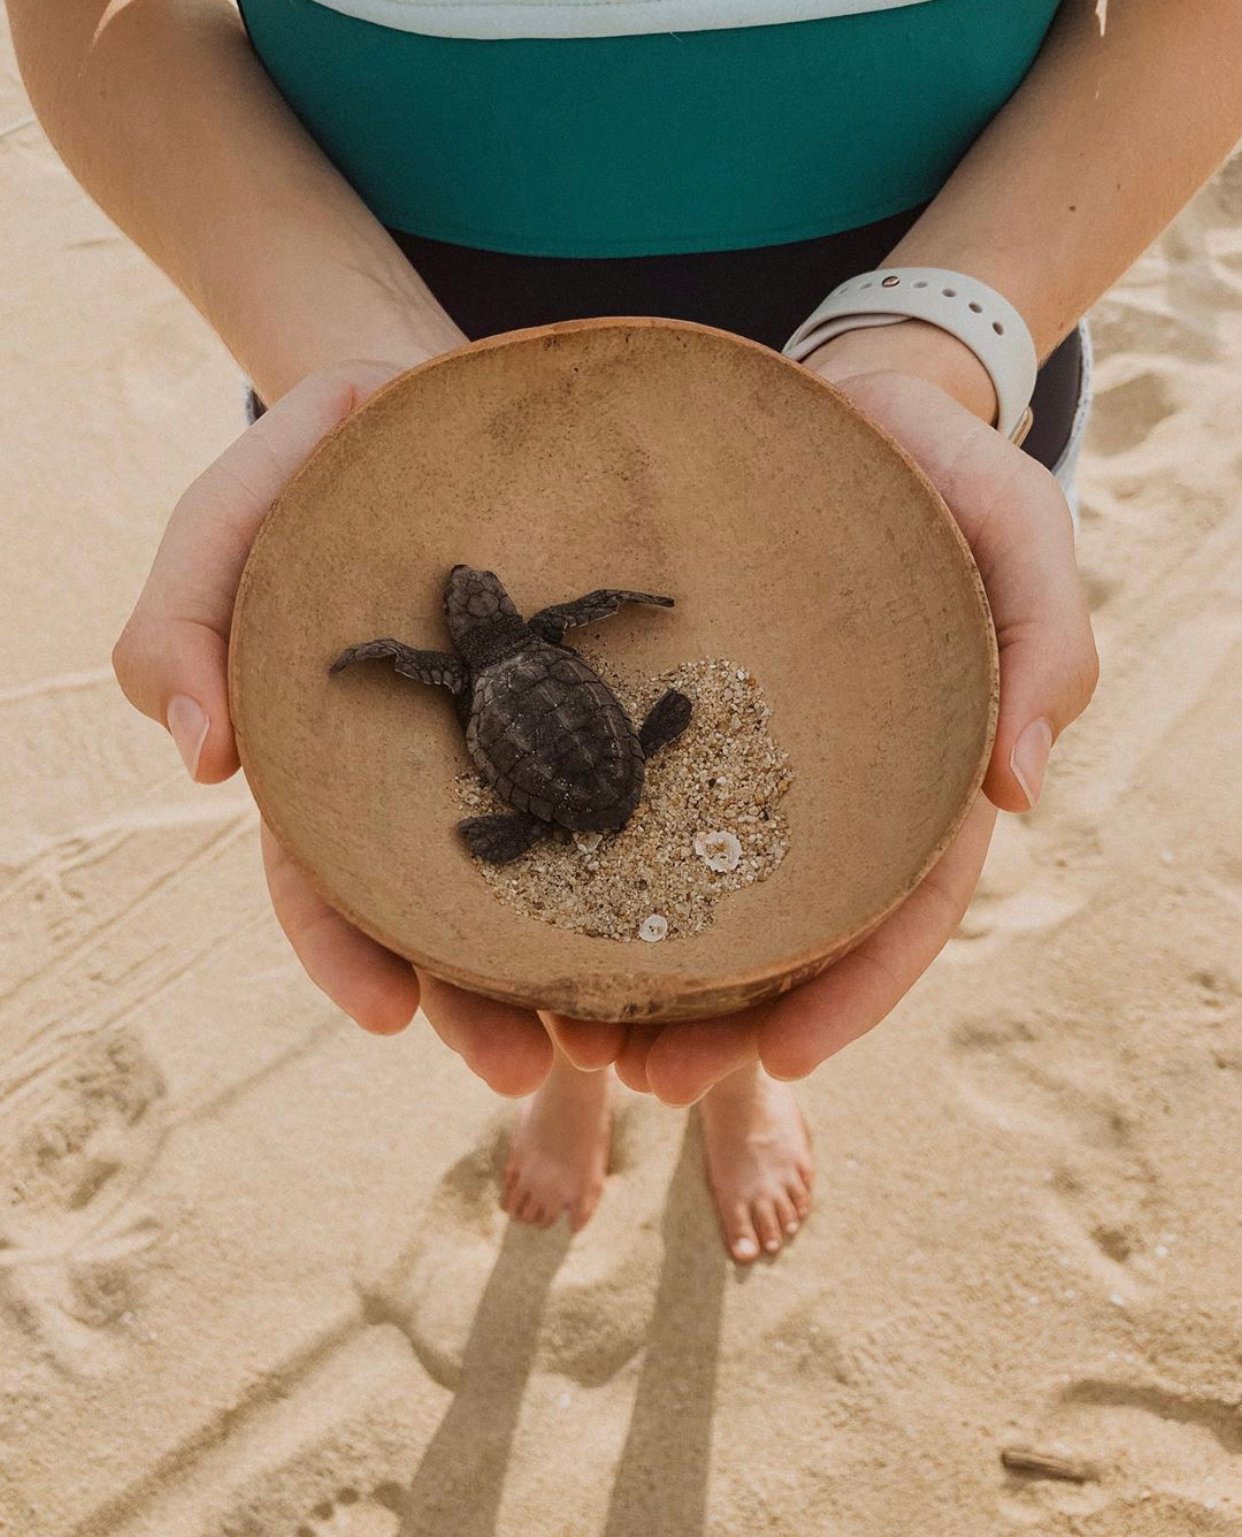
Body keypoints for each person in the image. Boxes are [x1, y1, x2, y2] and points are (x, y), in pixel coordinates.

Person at [13, 0, 1239, 1261]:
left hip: (935, 331)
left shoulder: (467, 666)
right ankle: (578, 1055)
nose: (467, 609)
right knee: (532, 947)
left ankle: (720, 1051)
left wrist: (941, 339)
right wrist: (377, 383)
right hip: (378, 331)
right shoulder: (533, 639)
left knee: (760, 935)